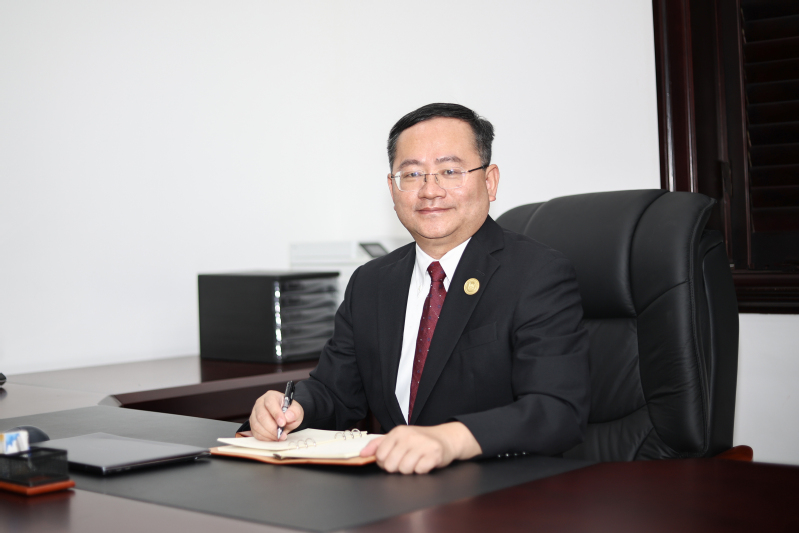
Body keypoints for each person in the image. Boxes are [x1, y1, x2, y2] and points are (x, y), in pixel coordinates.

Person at [244, 103, 590, 474]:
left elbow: (557, 410)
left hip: (504, 489)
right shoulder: (372, 282)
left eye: (449, 171)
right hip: (396, 489)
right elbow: (337, 392)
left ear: (490, 182)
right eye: (411, 174)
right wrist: (293, 407)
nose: (430, 191)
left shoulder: (536, 273)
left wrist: (450, 440)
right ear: (392, 189)